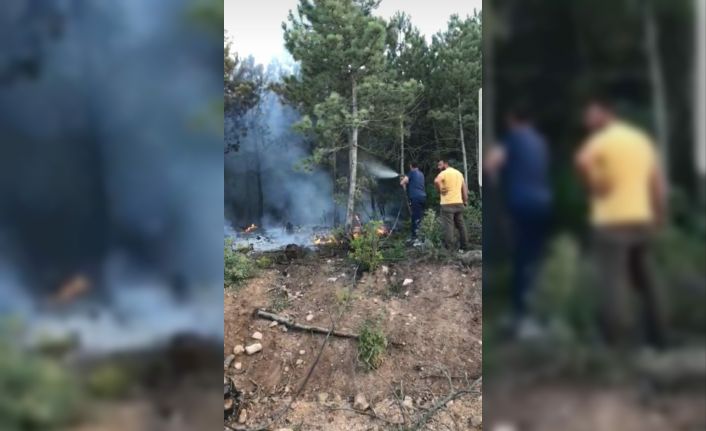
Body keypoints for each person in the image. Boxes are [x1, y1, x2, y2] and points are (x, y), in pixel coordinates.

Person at [575, 96, 668, 349]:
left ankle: (615, 341)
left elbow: (581, 162)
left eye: (591, 115)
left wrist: (595, 185)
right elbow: (657, 181)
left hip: (611, 221)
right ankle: (658, 335)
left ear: (605, 113)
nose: (587, 121)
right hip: (641, 218)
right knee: (646, 280)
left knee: (612, 281)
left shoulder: (600, 140)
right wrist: (659, 215)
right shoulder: (640, 140)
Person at [485, 104, 552, 337]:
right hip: (543, 204)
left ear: (513, 119)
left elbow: (491, 164)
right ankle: (536, 312)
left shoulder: (512, 138)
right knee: (534, 257)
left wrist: (497, 182)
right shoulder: (541, 142)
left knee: (521, 259)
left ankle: (521, 317)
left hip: (520, 204)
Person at [434, 159, 469, 251]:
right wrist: (465, 201)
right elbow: (464, 189)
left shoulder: (444, 173)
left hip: (447, 204)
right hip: (459, 203)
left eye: (440, 165)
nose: (438, 167)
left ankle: (450, 249)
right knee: (461, 226)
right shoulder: (459, 174)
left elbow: (436, 181)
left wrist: (440, 190)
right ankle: (464, 246)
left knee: (448, 227)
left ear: (446, 164)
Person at [400, 162, 426, 241]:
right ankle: (418, 235)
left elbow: (402, 183)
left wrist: (402, 179)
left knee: (415, 217)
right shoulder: (421, 174)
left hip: (415, 198)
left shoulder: (411, 172)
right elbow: (414, 182)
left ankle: (416, 237)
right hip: (423, 197)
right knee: (419, 216)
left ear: (411, 166)